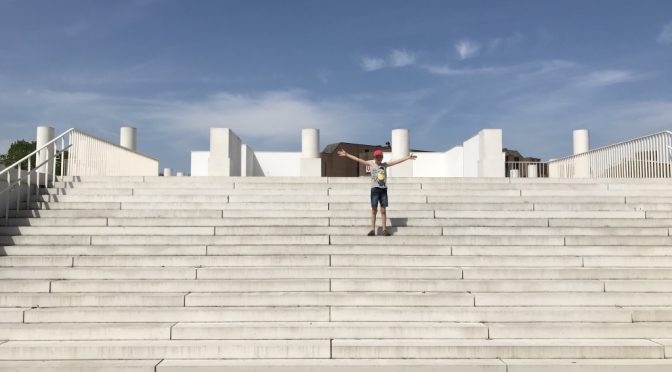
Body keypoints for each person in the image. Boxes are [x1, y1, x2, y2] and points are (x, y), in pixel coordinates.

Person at [337, 148, 417, 236]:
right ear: (374, 157)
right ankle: (372, 229)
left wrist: (407, 157)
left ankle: (384, 229)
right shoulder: (371, 164)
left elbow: (396, 161)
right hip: (374, 190)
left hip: (383, 190)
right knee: (374, 210)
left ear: (382, 157)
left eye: (380, 157)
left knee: (383, 210)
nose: (379, 159)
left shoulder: (385, 165)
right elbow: (358, 160)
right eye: (377, 157)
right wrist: (347, 154)